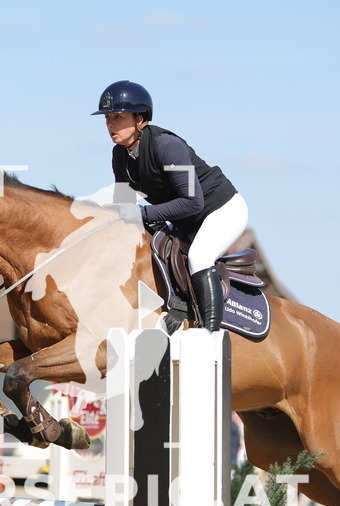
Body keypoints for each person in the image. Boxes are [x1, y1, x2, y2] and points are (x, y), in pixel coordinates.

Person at [93, 79, 249, 331]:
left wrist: (142, 213)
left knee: (199, 257)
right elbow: (124, 205)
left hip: (221, 210)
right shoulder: (119, 155)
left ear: (140, 120)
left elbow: (193, 201)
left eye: (118, 117)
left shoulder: (167, 146)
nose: (111, 124)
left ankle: (210, 335)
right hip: (184, 220)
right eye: (107, 118)